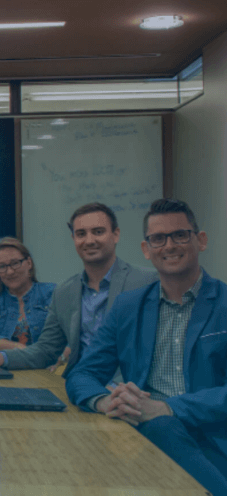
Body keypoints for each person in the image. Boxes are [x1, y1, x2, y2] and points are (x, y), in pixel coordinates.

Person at [66, 199, 227, 495]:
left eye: (180, 235)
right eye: (158, 239)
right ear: (146, 249)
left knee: (163, 426)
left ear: (200, 240)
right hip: (145, 433)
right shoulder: (128, 307)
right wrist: (106, 401)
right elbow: (82, 374)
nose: (169, 246)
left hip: (214, 436)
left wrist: (168, 407)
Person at [0, 202, 156, 375]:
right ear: (74, 239)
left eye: (98, 232)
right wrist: (2, 357)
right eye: (81, 234)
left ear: (116, 234)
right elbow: (45, 350)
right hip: (80, 385)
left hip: (128, 389)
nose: (89, 240)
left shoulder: (147, 282)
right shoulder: (64, 293)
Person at [0, 237, 55, 351]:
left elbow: (69, 335)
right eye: (2, 267)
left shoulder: (52, 293)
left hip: (48, 365)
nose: (9, 272)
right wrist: (21, 350)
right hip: (8, 364)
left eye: (15, 263)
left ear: (29, 263)